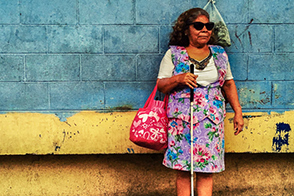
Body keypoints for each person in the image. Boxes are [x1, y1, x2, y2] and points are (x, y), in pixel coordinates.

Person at [157, 8, 244, 196]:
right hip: (182, 121)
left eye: (208, 26)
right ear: (187, 30)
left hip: (210, 121)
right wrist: (178, 79)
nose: (205, 29)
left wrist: (238, 112)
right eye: (198, 26)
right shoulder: (173, 55)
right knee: (183, 170)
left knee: (207, 170)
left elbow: (228, 84)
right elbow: (161, 85)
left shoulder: (219, 54)